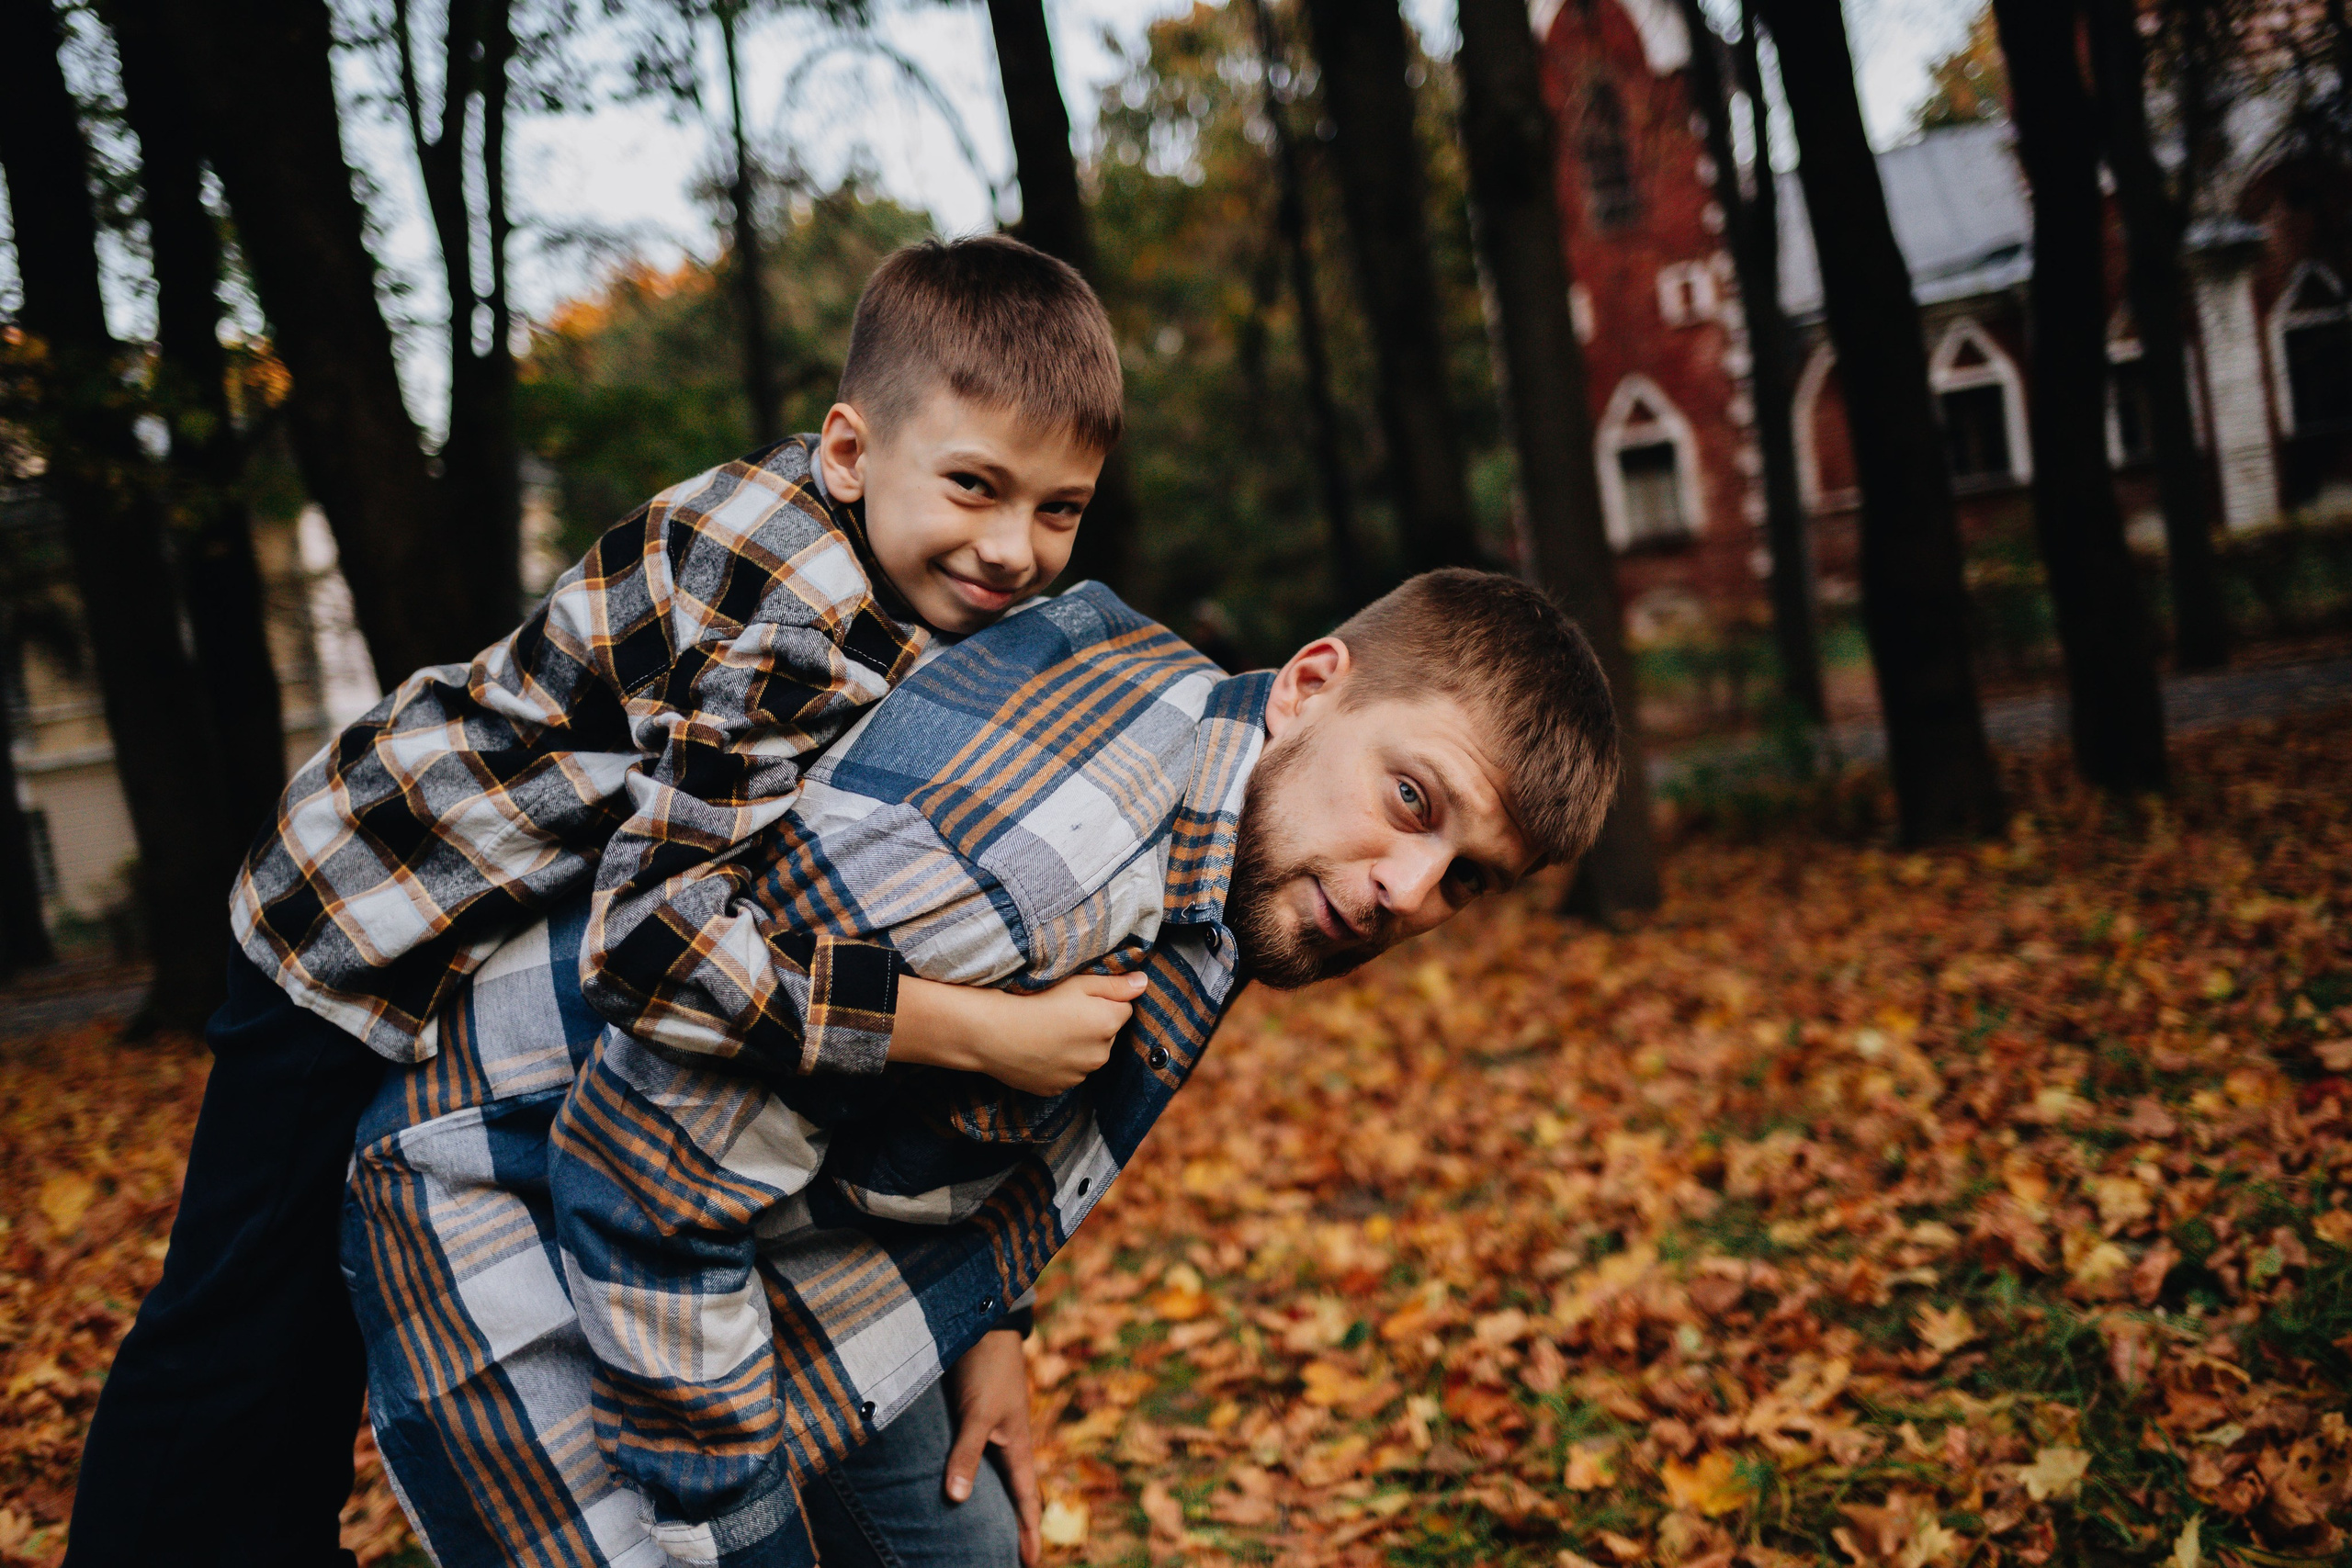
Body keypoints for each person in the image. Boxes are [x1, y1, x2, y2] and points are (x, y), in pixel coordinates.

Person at [63, 235, 1139, 1568]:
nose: (1013, 549)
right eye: (976, 485)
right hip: (365, 920)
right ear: (852, 454)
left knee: (301, 1327)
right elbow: (653, 944)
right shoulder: (796, 624)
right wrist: (965, 1028)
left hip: (460, 931)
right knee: (248, 1319)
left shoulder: (891, 571)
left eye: (1060, 510)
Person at [346, 568, 1623, 1567]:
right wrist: (740, 1540)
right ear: (1311, 682)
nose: (1409, 892)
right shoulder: (1043, 874)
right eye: (1413, 800)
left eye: (1467, 879)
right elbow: (641, 1177)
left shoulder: (1234, 790)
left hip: (792, 1212)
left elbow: (991, 1098)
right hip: (519, 1191)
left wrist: (990, 1319)